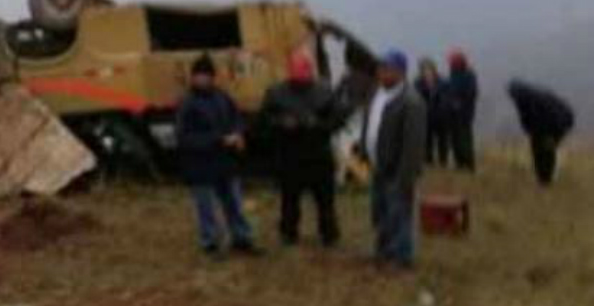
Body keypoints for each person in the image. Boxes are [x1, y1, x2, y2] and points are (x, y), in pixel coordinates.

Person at [175, 55, 259, 257]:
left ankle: (242, 238)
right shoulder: (187, 104)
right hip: (200, 165)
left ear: (213, 77)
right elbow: (184, 137)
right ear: (193, 78)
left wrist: (239, 134)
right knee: (206, 207)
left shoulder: (223, 97)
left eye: (206, 75)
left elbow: (236, 118)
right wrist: (218, 140)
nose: (202, 79)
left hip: (225, 162)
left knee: (234, 202)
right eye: (198, 75)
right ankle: (210, 243)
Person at [260, 50, 345, 247]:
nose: (300, 82)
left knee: (325, 201)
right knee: (289, 200)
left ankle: (329, 234)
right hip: (289, 156)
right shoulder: (275, 92)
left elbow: (338, 119)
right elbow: (263, 122)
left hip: (318, 154)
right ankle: (288, 234)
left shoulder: (325, 91)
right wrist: (281, 123)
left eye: (303, 78)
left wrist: (317, 124)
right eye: (296, 78)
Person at [359, 50, 427, 270]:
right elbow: (369, 124)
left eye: (387, 69)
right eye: (380, 68)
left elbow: (414, 144)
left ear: (400, 72)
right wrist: (363, 149)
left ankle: (401, 257)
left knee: (399, 212)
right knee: (380, 211)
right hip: (378, 165)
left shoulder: (411, 102)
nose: (381, 73)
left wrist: (406, 175)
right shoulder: (376, 94)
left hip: (398, 169)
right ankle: (383, 251)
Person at [507, 79, 574, 186]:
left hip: (558, 123)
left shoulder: (533, 101)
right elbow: (527, 119)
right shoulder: (526, 99)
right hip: (555, 122)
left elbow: (541, 119)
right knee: (539, 148)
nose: (512, 98)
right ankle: (543, 177)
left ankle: (547, 178)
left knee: (546, 149)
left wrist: (551, 136)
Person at [414, 57, 451, 167]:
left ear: (434, 69)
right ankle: (428, 160)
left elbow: (446, 98)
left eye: (429, 69)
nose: (427, 72)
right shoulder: (418, 83)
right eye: (424, 69)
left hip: (441, 116)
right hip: (425, 115)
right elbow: (416, 98)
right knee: (427, 139)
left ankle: (443, 161)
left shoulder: (443, 82)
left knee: (442, 140)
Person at [446, 49, 478, 171]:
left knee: (465, 138)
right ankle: (459, 163)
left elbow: (472, 93)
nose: (450, 64)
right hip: (452, 113)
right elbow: (450, 90)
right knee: (455, 139)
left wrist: (460, 103)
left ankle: (469, 165)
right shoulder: (453, 74)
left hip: (465, 113)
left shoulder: (469, 75)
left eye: (452, 62)